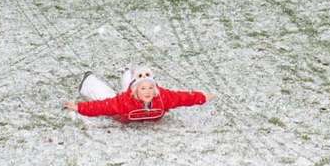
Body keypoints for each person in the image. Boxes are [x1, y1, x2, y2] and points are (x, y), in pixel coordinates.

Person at [64, 66, 216, 123]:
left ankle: (128, 72)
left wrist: (202, 97)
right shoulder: (124, 102)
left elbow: (182, 98)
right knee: (106, 97)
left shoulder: (162, 97)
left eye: (150, 88)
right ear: (135, 91)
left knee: (134, 83)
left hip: (135, 95)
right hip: (124, 114)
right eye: (143, 89)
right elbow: (101, 107)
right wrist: (79, 107)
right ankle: (88, 81)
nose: (148, 92)